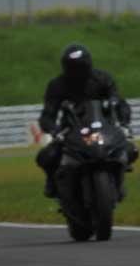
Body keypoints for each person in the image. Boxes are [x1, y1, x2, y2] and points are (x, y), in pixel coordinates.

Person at [36, 44, 136, 198]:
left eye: (81, 68)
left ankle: (118, 179)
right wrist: (54, 130)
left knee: (130, 150)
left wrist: (124, 123)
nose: (78, 73)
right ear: (66, 68)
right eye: (73, 68)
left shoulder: (103, 79)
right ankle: (52, 181)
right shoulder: (57, 86)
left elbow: (119, 102)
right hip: (70, 131)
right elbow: (48, 114)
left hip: (103, 128)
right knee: (47, 156)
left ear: (88, 65)